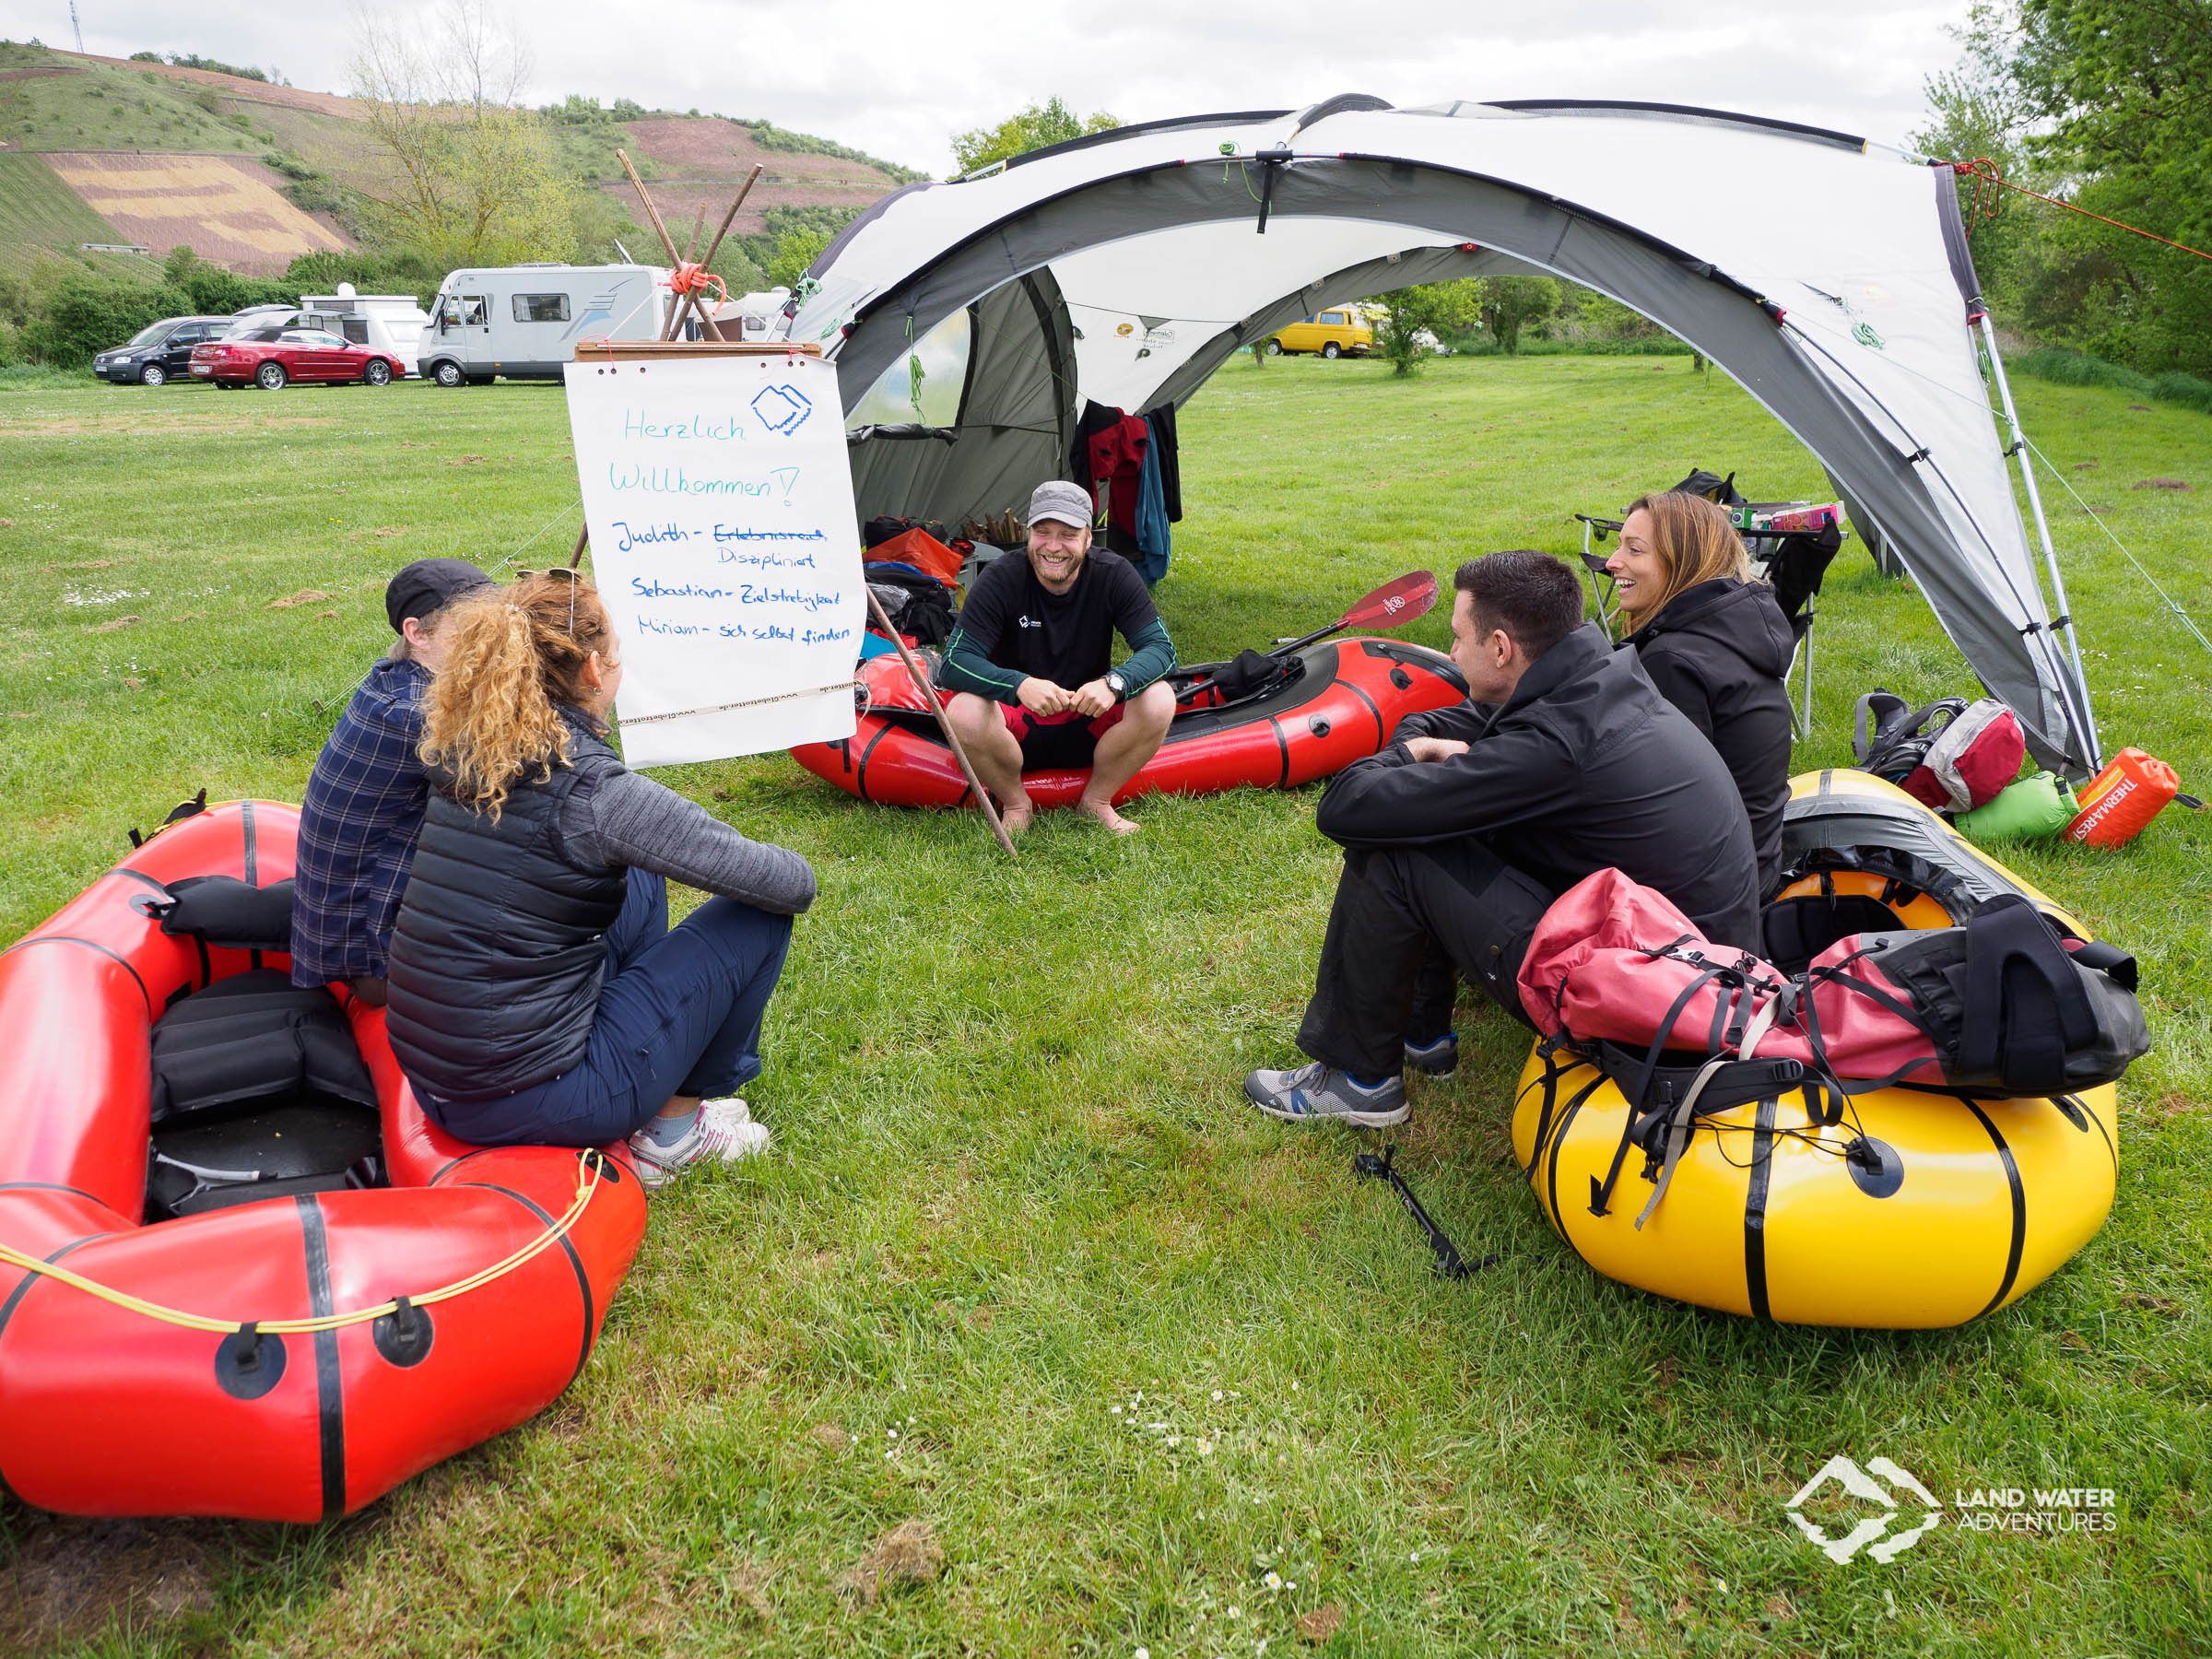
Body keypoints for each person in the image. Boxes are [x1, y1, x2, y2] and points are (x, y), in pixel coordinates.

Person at [1242, 549, 1761, 1128]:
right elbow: (1457, 722)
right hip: (1698, 972)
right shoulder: (1597, 679)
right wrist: (1424, 742)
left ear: (1499, 648)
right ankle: (1423, 1036)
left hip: (1660, 1013)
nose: (1452, 653)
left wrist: (1409, 754)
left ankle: (1360, 1080)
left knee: (1397, 847)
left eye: (1459, 638)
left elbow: (1347, 808)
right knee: (1435, 824)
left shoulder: (1554, 743)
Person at [382, 573, 816, 1190]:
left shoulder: (474, 746)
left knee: (636, 871)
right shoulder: (597, 793)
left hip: (443, 1076)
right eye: (615, 652)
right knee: (757, 917)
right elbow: (790, 882)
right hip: (527, 1099)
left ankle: (654, 1068)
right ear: (592, 670)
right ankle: (672, 1138)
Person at [290, 557, 492, 1007]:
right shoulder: (417, 716)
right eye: (473, 630)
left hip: (365, 939)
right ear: (417, 634)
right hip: (377, 964)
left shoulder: (395, 685)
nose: (494, 646)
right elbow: (544, 787)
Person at [936, 479, 1178, 835]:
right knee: (963, 710)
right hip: (1015, 726)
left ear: (1088, 538)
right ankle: (1016, 802)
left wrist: (1114, 683)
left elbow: (1162, 650)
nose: (1053, 546)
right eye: (1042, 531)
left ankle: (1096, 801)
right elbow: (954, 662)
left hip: (1088, 716)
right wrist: (1019, 685)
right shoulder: (1001, 578)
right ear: (1029, 532)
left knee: (1160, 699)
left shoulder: (1113, 574)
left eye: (1067, 534)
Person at [1606, 489, 1795, 894]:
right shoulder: (1733, 624)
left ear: (1681, 563)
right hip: (1756, 862)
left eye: (1634, 550)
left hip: (1711, 892)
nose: (1611, 562)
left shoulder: (1674, 660)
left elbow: (1661, 806)